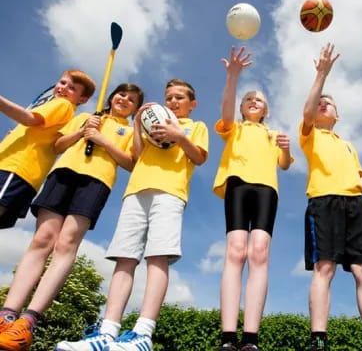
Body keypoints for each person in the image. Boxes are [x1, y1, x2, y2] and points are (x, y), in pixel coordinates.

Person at [54, 78, 208, 351]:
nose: (172, 102)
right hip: (135, 191)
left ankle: (143, 334)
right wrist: (137, 124)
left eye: (179, 98)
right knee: (124, 259)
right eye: (168, 97)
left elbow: (198, 157)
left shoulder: (195, 126)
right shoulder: (150, 127)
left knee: (157, 257)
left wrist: (179, 135)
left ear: (192, 104)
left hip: (170, 193)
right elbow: (136, 156)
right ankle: (107, 332)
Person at [0, 83, 144, 351]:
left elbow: (131, 162)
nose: (124, 99)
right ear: (112, 97)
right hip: (63, 174)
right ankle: (7, 315)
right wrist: (82, 131)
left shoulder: (128, 129)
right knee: (42, 239)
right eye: (121, 94)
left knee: (66, 244)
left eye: (132, 99)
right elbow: (57, 145)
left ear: (135, 108)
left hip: (96, 181)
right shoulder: (86, 117)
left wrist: (102, 141)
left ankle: (28, 322)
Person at [300, 43, 362, 351]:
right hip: (324, 201)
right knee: (323, 267)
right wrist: (321, 75)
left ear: (338, 115)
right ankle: (318, 339)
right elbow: (307, 109)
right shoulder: (310, 134)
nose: (323, 105)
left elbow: (358, 178)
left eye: (329, 104)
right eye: (319, 103)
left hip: (356, 204)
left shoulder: (348, 145)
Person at [213, 46, 293, 351]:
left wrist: (285, 148)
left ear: (266, 109)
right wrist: (233, 77)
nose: (253, 102)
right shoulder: (233, 129)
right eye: (248, 99)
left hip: (266, 190)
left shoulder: (273, 135)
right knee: (236, 251)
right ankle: (227, 338)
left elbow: (284, 164)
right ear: (242, 107)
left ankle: (250, 339)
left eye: (259, 99)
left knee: (259, 252)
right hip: (237, 185)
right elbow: (225, 110)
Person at [0, 69, 95, 229]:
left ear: (83, 99)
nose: (63, 88)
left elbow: (28, 118)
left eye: (72, 88)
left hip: (15, 169)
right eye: (62, 82)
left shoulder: (62, 104)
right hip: (21, 172)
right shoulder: (62, 109)